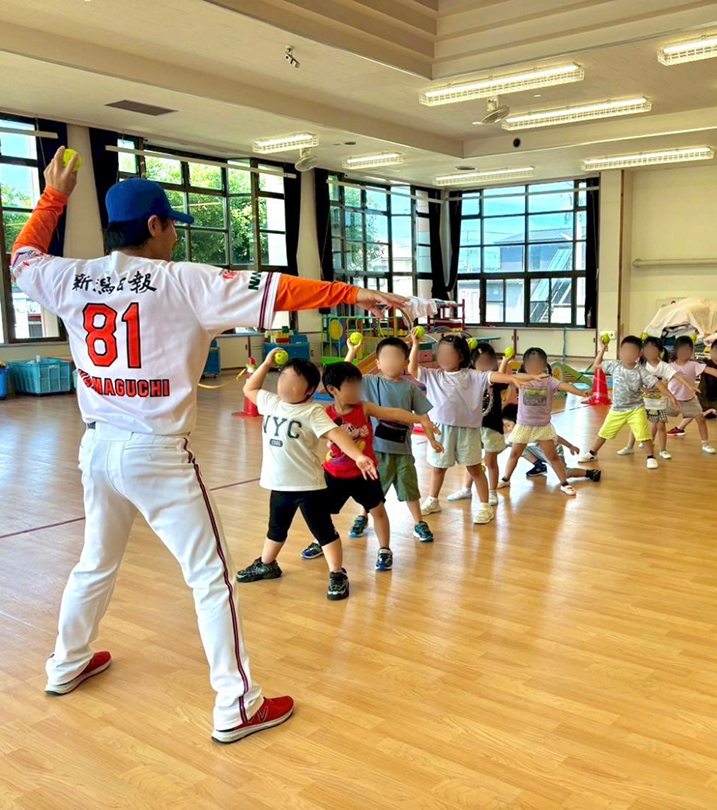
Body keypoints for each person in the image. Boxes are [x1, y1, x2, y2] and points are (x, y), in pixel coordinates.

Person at [11, 147, 407, 745]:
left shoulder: (71, 276)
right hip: (157, 454)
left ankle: (65, 665)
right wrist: (353, 296)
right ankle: (237, 704)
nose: (176, 237)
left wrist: (53, 194)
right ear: (155, 225)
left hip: (96, 451)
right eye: (174, 225)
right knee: (209, 576)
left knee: (95, 561)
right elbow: (279, 290)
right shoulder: (184, 281)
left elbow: (21, 259)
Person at [236, 351, 378, 601]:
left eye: (294, 384)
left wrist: (358, 456)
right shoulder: (271, 402)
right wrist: (267, 364)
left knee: (324, 531)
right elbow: (250, 388)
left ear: (310, 390)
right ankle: (267, 564)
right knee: (276, 528)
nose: (285, 387)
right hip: (279, 484)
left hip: (308, 486)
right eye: (282, 380)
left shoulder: (313, 412)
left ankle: (337, 573)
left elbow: (338, 435)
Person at [300, 362, 443, 567]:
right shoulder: (324, 414)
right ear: (332, 390)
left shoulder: (364, 408)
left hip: (365, 474)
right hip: (334, 474)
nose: (359, 390)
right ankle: (321, 540)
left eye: (359, 385)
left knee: (378, 512)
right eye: (352, 387)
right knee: (322, 513)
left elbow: (393, 413)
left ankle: (384, 548)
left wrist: (420, 419)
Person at [409, 332, 531, 523]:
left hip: (467, 430)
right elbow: (412, 368)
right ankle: (433, 500)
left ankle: (484, 506)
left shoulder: (473, 375)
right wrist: (415, 345)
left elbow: (493, 375)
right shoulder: (432, 375)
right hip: (441, 430)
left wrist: (512, 379)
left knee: (475, 468)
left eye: (449, 354)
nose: (443, 358)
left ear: (461, 357)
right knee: (438, 468)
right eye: (440, 353)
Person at [341, 336, 436, 543]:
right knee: (372, 490)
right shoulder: (369, 382)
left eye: (396, 357)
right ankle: (362, 516)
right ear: (377, 363)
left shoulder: (410, 388)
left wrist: (433, 440)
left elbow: (424, 417)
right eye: (386, 357)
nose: (391, 361)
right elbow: (343, 374)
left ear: (405, 363)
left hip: (403, 451)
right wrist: (352, 352)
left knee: (410, 488)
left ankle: (419, 522)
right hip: (375, 452)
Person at [497, 347, 592, 496]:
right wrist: (505, 361)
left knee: (552, 456)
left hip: (542, 426)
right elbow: (501, 377)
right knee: (514, 454)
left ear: (544, 365)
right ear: (525, 365)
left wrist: (580, 392)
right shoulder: (520, 378)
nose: (534, 366)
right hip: (524, 426)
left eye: (538, 363)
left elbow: (564, 386)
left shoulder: (549, 381)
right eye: (531, 363)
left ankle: (564, 483)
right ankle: (505, 478)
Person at [578, 336, 675, 470]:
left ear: (638, 354)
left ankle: (650, 457)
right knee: (604, 432)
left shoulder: (641, 370)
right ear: (620, 351)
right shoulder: (614, 365)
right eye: (625, 351)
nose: (627, 354)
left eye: (631, 351)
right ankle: (592, 453)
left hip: (636, 408)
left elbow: (657, 383)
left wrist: (671, 396)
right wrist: (602, 349)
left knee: (643, 434)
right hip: (617, 409)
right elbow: (596, 365)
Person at [447, 342, 510, 507]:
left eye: (489, 362)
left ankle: (492, 492)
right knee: (472, 461)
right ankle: (466, 489)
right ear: (473, 363)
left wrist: (505, 361)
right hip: (473, 427)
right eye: (481, 362)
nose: (485, 366)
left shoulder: (493, 379)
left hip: (492, 427)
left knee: (490, 462)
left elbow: (503, 378)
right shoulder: (469, 378)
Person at [618, 336, 699, 459]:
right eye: (647, 349)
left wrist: (689, 386)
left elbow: (677, 375)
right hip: (641, 402)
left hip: (658, 403)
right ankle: (629, 447)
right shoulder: (640, 365)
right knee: (636, 426)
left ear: (660, 351)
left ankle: (663, 450)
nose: (649, 351)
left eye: (653, 348)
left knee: (661, 426)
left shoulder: (664, 366)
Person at [501, 403, 602, 484]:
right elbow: (503, 446)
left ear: (519, 422)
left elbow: (555, 437)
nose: (507, 428)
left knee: (564, 473)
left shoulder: (535, 428)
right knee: (517, 450)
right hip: (537, 451)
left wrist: (570, 446)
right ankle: (539, 466)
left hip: (553, 453)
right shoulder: (517, 435)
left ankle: (589, 473)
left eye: (508, 425)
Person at [664, 336, 717, 454]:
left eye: (688, 350)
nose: (685, 353)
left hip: (690, 399)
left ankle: (705, 444)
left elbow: (711, 371)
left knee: (701, 420)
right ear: (676, 350)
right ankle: (649, 440)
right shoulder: (670, 366)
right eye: (682, 349)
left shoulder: (694, 365)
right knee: (658, 419)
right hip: (673, 399)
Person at [698, 342, 717, 418]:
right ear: (711, 351)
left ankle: (712, 411)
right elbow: (692, 362)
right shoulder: (705, 363)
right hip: (704, 399)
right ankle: (710, 411)